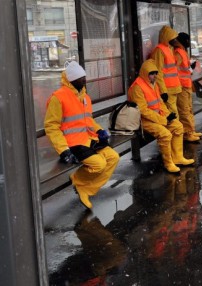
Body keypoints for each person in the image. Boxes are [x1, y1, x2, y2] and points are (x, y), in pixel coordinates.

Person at [44, 61, 119, 209]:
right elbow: (52, 127)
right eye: (80, 78)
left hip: (88, 139)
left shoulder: (85, 97)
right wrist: (63, 150)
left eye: (84, 77)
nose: (84, 80)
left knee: (113, 158)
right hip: (72, 144)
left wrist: (99, 131)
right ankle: (79, 181)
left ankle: (86, 188)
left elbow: (87, 120)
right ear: (71, 80)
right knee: (99, 164)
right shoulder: (58, 97)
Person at [128, 59, 194, 173]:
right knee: (165, 134)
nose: (154, 76)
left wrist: (168, 116)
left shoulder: (153, 85)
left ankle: (178, 158)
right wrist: (164, 120)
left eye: (155, 73)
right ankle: (168, 163)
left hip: (157, 118)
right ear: (145, 73)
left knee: (178, 126)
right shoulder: (137, 87)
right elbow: (143, 111)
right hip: (144, 121)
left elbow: (160, 103)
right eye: (151, 73)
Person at [174, 32, 202, 142]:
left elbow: (184, 70)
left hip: (186, 85)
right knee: (184, 110)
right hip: (182, 85)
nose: (189, 43)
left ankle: (191, 131)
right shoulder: (179, 52)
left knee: (189, 109)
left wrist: (191, 67)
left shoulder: (182, 52)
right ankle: (187, 133)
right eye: (187, 40)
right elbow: (175, 70)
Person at [150, 25, 182, 117]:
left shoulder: (168, 49)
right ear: (167, 38)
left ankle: (177, 131)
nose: (175, 41)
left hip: (173, 88)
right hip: (167, 88)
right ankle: (177, 131)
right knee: (173, 113)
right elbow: (158, 72)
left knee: (173, 112)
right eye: (173, 38)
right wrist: (163, 91)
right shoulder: (160, 50)